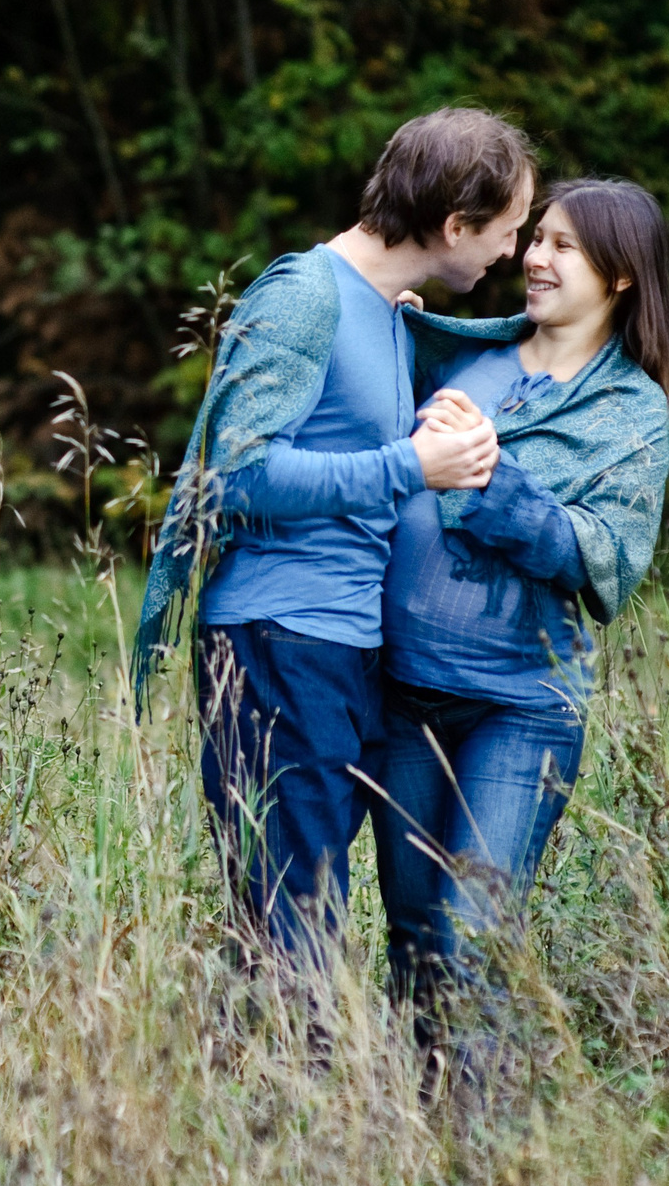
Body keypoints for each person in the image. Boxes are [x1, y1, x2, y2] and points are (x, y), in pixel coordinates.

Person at [135, 108, 535, 968]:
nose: (513, 253)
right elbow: (236, 476)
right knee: (294, 928)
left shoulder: (385, 310)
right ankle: (300, 1096)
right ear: (454, 224)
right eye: (504, 232)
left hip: (346, 652)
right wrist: (411, 465)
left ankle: (287, 1086)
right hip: (277, 643)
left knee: (300, 915)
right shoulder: (303, 295)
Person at [371, 177, 669, 1057]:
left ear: (620, 276)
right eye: (536, 238)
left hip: (520, 708)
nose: (534, 259)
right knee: (415, 937)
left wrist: (490, 475)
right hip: (404, 698)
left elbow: (601, 557)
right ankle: (413, 1142)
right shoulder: (467, 357)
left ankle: (489, 1158)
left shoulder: (630, 412)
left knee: (471, 935)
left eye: (563, 246)